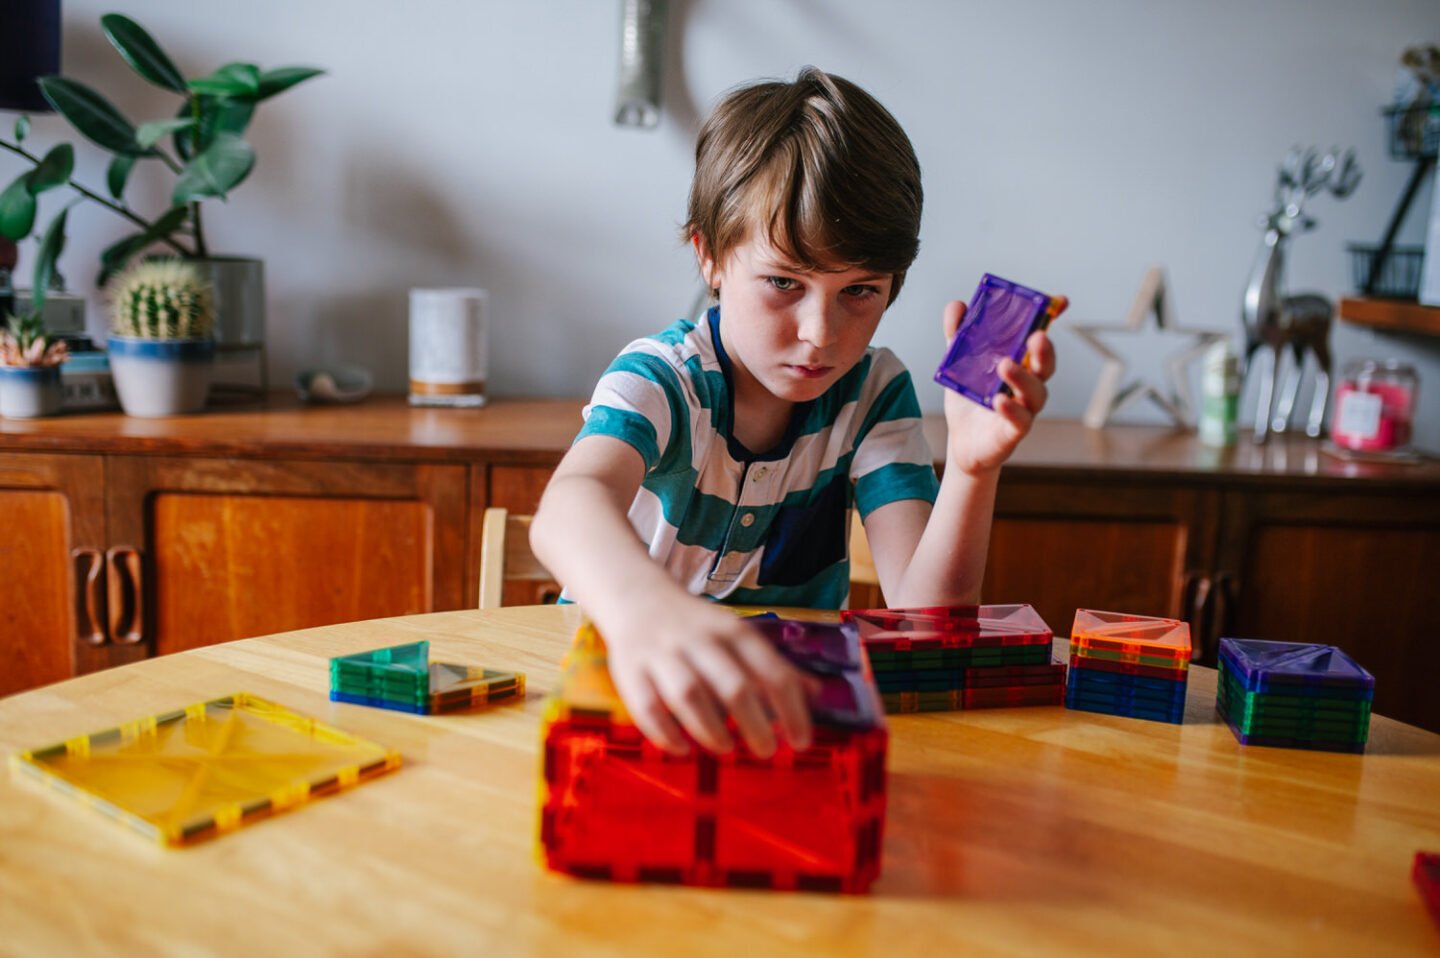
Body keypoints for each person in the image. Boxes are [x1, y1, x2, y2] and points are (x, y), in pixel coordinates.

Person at [530, 66, 1055, 761]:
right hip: (621, 697)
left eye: (860, 290)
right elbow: (570, 504)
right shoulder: (662, 379)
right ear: (710, 256)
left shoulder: (875, 394)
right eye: (784, 282)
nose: (821, 332)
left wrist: (969, 465)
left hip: (784, 717)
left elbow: (924, 624)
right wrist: (647, 611)